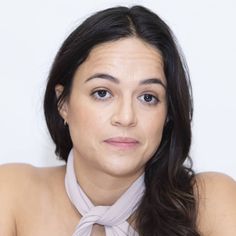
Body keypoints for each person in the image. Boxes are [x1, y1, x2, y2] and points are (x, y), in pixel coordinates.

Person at [0, 5, 236, 236]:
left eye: (147, 97)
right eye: (102, 92)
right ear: (63, 103)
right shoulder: (12, 193)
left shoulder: (209, 202)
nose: (126, 117)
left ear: (168, 114)